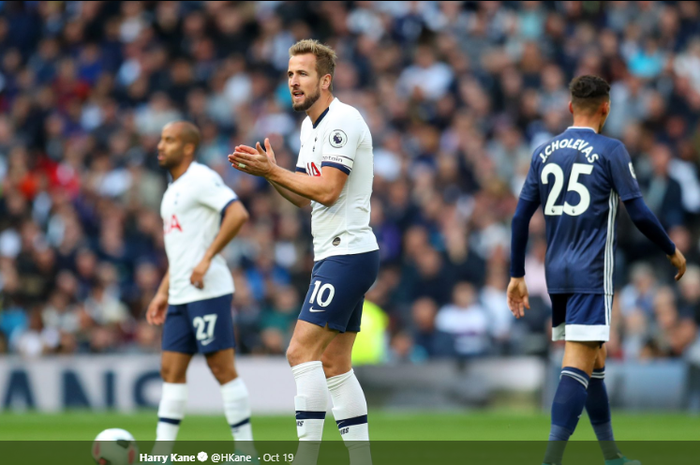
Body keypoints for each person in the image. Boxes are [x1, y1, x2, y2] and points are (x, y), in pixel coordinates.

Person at [507, 75, 686, 465]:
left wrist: (517, 273)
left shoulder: (543, 151)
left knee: (595, 360)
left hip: (556, 274)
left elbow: (520, 217)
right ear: (606, 108)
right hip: (591, 272)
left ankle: (611, 457)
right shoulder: (611, 150)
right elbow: (637, 209)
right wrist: (671, 250)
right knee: (576, 363)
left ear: (571, 107)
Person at [228, 39, 380, 465]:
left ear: (325, 80)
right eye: (290, 74)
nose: (293, 81)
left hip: (346, 253)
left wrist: (274, 171)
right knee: (334, 363)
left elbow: (329, 191)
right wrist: (271, 174)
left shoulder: (342, 120)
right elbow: (306, 198)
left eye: (303, 74)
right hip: (341, 253)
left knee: (299, 351)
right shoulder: (309, 127)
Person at [147, 121, 253, 455]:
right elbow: (180, 250)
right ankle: (161, 455)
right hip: (179, 293)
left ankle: (246, 452)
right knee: (170, 370)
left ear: (188, 147)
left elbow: (237, 214)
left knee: (221, 368)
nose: (160, 146)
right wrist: (164, 290)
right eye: (161, 140)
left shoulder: (201, 178)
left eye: (169, 140)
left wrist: (208, 258)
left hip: (207, 290)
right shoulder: (171, 191)